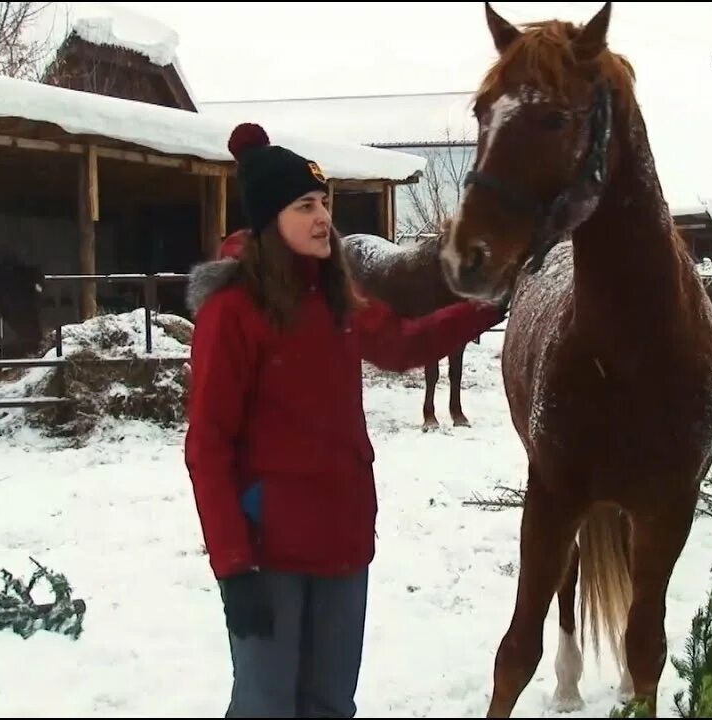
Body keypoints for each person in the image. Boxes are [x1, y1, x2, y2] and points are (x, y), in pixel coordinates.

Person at [183, 122, 505, 718]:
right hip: (269, 554)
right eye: (305, 206)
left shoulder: (337, 298)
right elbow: (207, 445)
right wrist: (233, 567)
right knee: (266, 707)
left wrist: (487, 306)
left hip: (343, 540)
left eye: (324, 203)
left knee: (331, 705)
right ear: (269, 219)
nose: (323, 218)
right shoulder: (232, 313)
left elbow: (403, 343)